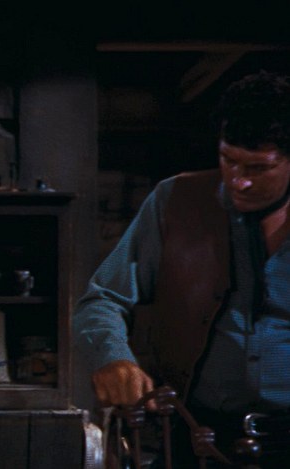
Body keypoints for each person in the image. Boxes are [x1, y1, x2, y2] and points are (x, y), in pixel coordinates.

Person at [73, 70, 290, 468]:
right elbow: (102, 298)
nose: (239, 182)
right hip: (197, 437)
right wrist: (112, 356)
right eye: (228, 160)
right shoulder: (174, 200)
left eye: (258, 168)